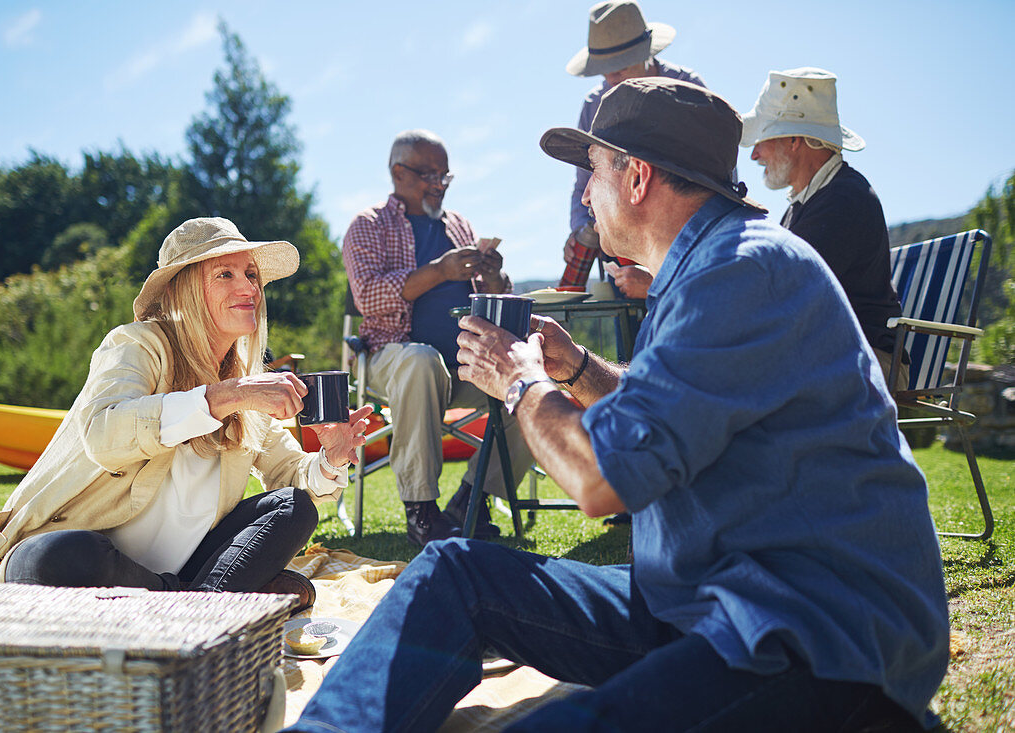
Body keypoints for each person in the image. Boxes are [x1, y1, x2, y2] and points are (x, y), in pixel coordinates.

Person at [287, 80, 948, 732]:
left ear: (637, 178)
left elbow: (603, 478)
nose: (582, 193)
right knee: (454, 570)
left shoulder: (743, 272)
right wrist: (573, 368)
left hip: (817, 635)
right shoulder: (706, 269)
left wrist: (520, 384)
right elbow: (662, 407)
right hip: (705, 598)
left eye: (593, 168)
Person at [0, 217, 372, 611]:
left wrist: (330, 458)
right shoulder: (137, 346)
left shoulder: (244, 385)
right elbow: (105, 432)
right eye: (226, 274)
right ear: (183, 289)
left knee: (293, 507)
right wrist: (225, 395)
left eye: (252, 275)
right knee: (64, 557)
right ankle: (211, 605)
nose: (249, 288)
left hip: (175, 571)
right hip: (80, 557)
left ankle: (187, 607)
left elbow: (291, 478)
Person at [342, 129, 532, 546]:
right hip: (391, 358)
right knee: (422, 360)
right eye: (429, 174)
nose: (438, 185)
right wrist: (440, 272)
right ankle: (421, 510)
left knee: (531, 382)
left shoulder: (459, 225)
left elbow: (493, 299)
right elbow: (369, 297)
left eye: (445, 176)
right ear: (398, 172)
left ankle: (473, 500)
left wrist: (495, 277)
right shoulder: (369, 225)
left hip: (465, 364)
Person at [742, 67, 908, 392]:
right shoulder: (807, 202)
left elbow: (785, 291)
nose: (754, 154)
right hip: (835, 351)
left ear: (794, 140)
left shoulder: (844, 198)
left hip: (869, 360)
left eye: (762, 141)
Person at [560, 0, 705, 302]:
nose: (611, 78)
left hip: (686, 243)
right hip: (622, 251)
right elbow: (583, 185)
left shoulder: (687, 88)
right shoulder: (593, 105)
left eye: (621, 65)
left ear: (645, 54)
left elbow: (716, 172)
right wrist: (580, 230)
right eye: (604, 70)